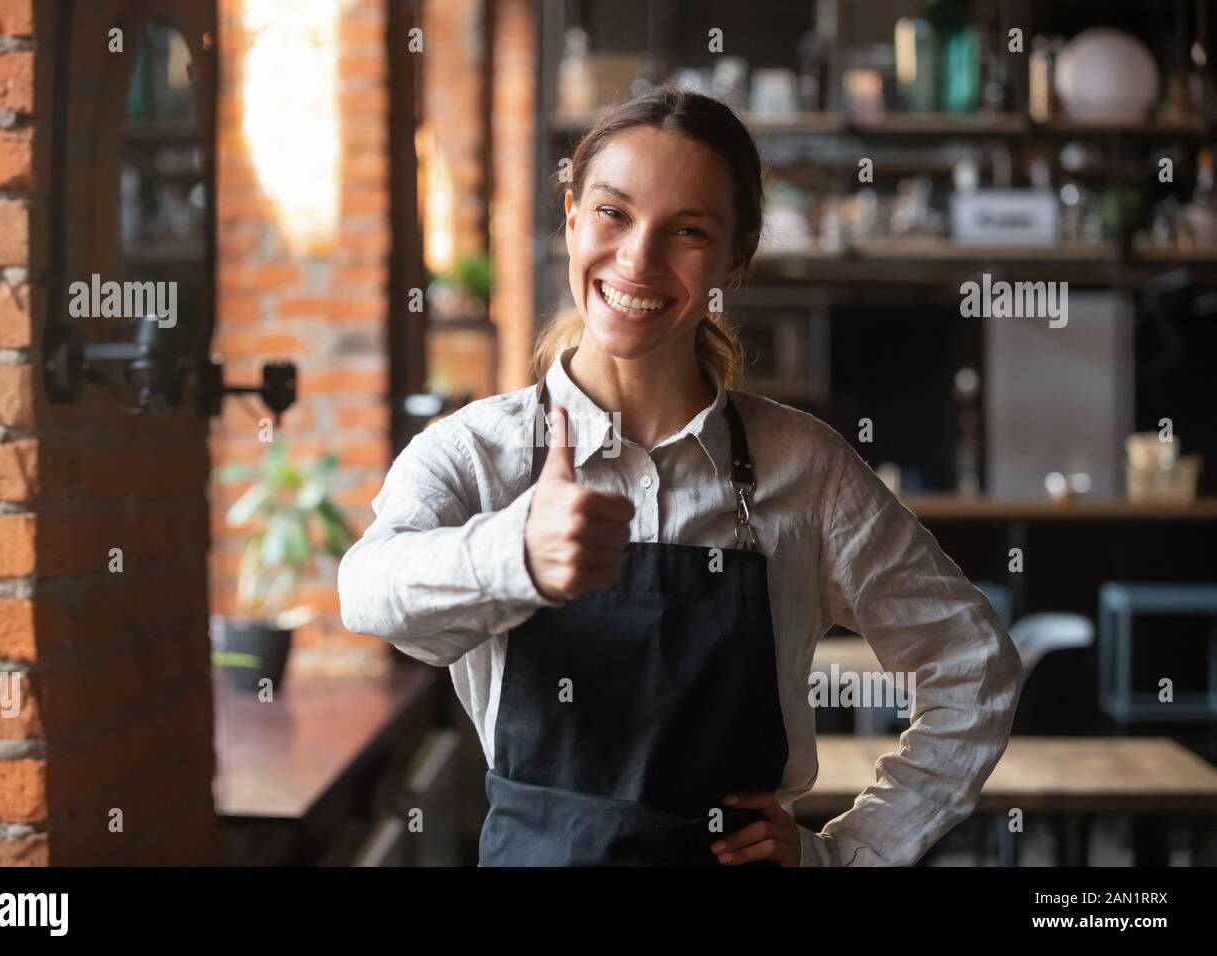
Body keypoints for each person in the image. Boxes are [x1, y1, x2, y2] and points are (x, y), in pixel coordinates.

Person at [339, 84, 1022, 866]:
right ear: (571, 218)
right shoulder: (478, 452)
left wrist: (846, 853)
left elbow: (973, 666)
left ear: (736, 256)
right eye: (613, 213)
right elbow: (368, 591)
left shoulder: (805, 468)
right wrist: (516, 554)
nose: (639, 258)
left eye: (688, 230)